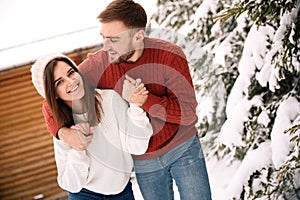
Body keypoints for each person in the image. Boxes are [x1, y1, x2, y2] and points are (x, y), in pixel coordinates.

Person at [42, 0, 212, 199]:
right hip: (144, 160)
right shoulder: (101, 63)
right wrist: (62, 132)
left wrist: (145, 101)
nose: (106, 47)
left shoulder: (170, 55)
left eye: (114, 39)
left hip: (182, 147)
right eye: (103, 38)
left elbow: (188, 113)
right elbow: (52, 100)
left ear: (138, 36)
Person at [30, 53, 153, 199]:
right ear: (53, 94)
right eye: (59, 82)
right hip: (85, 194)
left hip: (121, 192)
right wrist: (78, 150)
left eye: (71, 72)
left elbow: (137, 147)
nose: (71, 81)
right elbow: (71, 184)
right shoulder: (63, 127)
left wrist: (136, 107)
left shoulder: (109, 99)